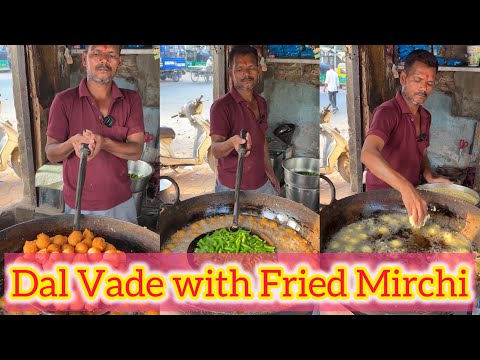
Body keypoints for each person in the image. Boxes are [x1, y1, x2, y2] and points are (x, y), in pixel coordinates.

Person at [45, 45, 145, 224]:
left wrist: (104, 142)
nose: (104, 59)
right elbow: (51, 153)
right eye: (97, 53)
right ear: (84, 59)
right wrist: (71, 143)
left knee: (126, 251)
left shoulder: (131, 99)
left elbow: (136, 151)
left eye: (111, 54)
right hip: (78, 207)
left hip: (121, 203)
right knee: (82, 251)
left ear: (119, 61)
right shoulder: (63, 101)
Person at [360, 49, 452, 226]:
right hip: (382, 200)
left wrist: (429, 177)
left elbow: (421, 152)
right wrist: (406, 188)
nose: (424, 88)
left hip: (412, 195)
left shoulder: (426, 116)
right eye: (417, 80)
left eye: (430, 83)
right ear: (403, 79)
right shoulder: (387, 112)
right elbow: (368, 153)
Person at [210, 45, 280, 195]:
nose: (246, 73)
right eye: (240, 69)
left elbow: (262, 141)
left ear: (259, 71)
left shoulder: (261, 102)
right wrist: (232, 142)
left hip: (261, 183)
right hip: (231, 187)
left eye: (251, 68)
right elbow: (215, 150)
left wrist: (271, 173)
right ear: (231, 73)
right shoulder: (221, 107)